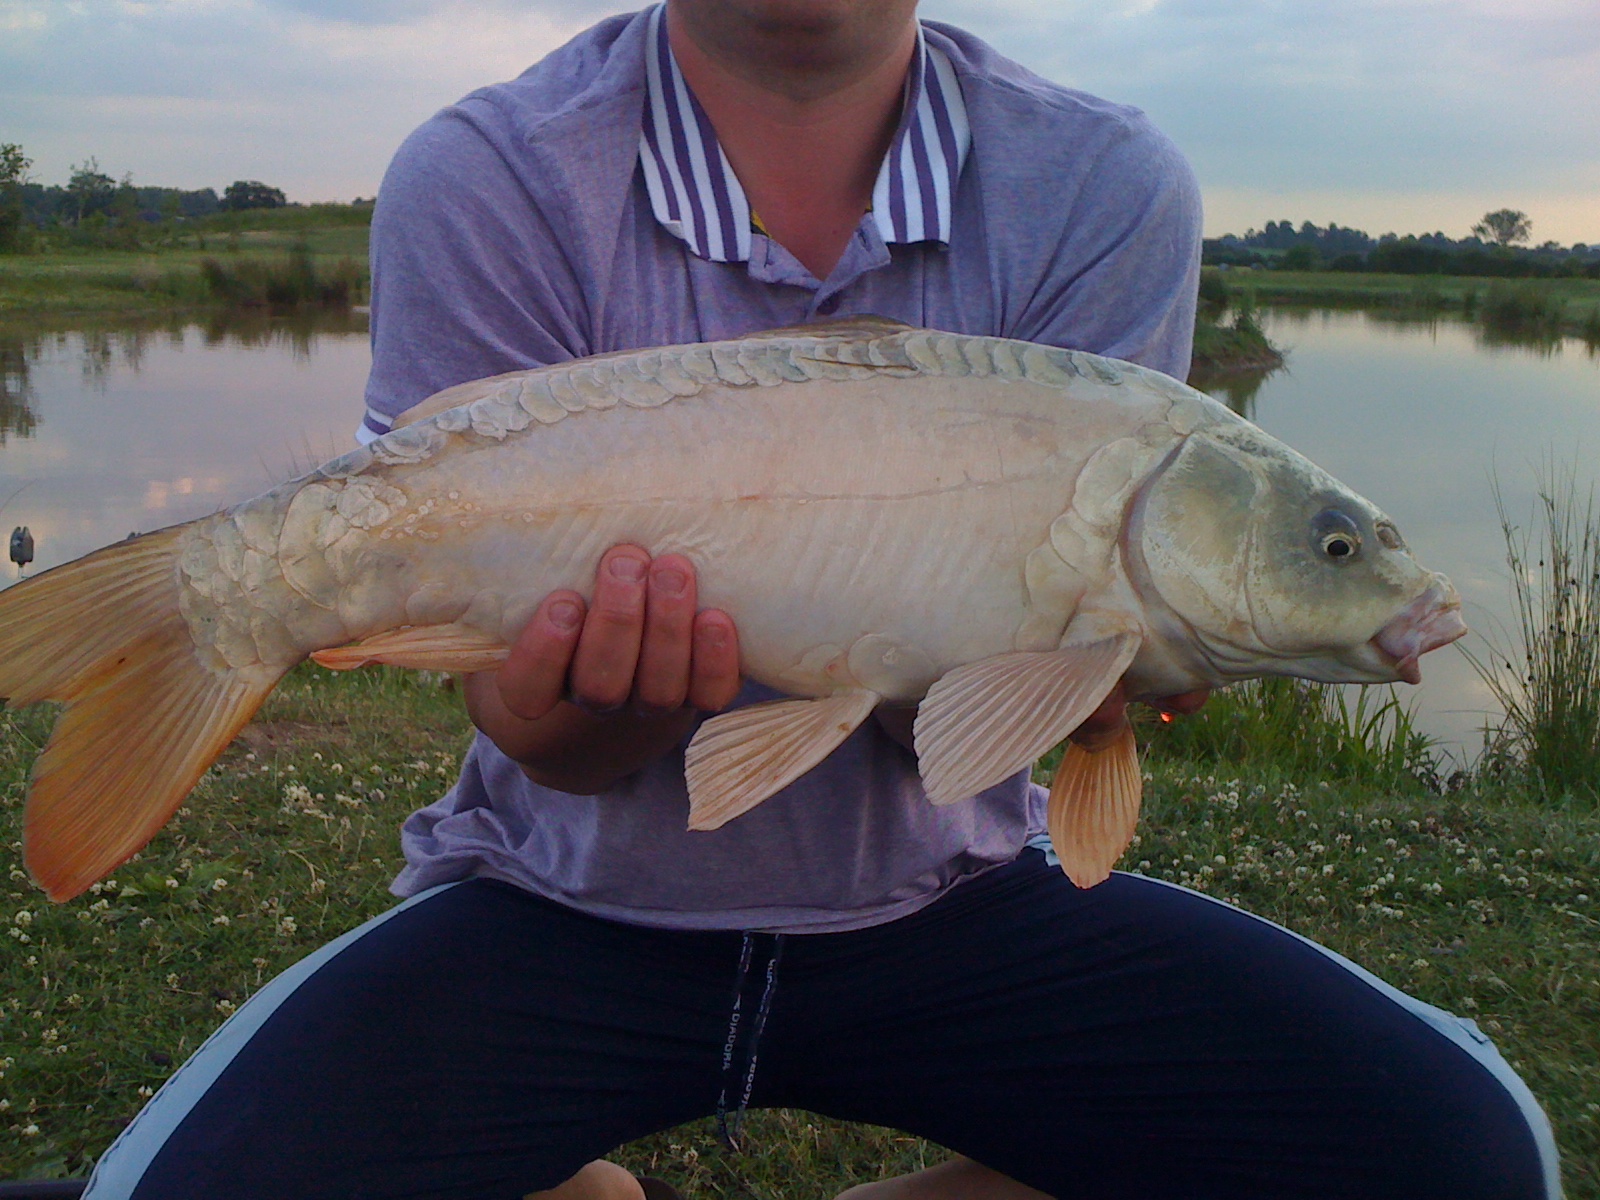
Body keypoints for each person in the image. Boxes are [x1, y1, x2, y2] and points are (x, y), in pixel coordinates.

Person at [82, 1, 1561, 1197]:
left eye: (1334, 548)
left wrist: (1105, 691)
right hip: (557, 901)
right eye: (1335, 544)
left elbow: (983, 735)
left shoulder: (1105, 185)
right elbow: (546, 741)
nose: (1356, 569)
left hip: (956, 900)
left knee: (1464, 1151)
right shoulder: (494, 166)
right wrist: (585, 712)